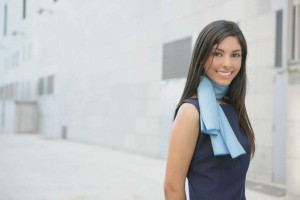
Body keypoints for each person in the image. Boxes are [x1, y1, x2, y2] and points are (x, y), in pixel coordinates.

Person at [164, 20, 255, 200]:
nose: (227, 64)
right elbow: (172, 188)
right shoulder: (191, 112)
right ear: (202, 56)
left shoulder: (232, 106)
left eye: (235, 55)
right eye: (217, 53)